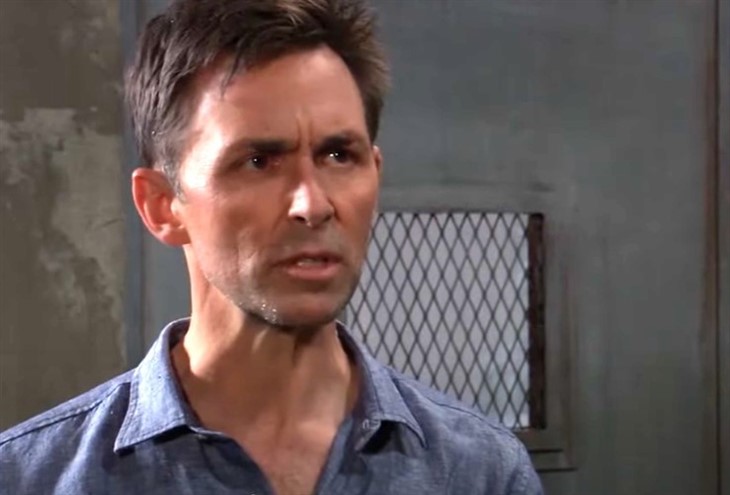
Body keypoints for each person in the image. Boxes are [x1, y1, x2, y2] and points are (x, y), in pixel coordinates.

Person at [0, 0, 543, 493]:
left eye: (339, 156)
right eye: (258, 162)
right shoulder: (33, 478)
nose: (313, 204)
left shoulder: (481, 473)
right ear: (163, 205)